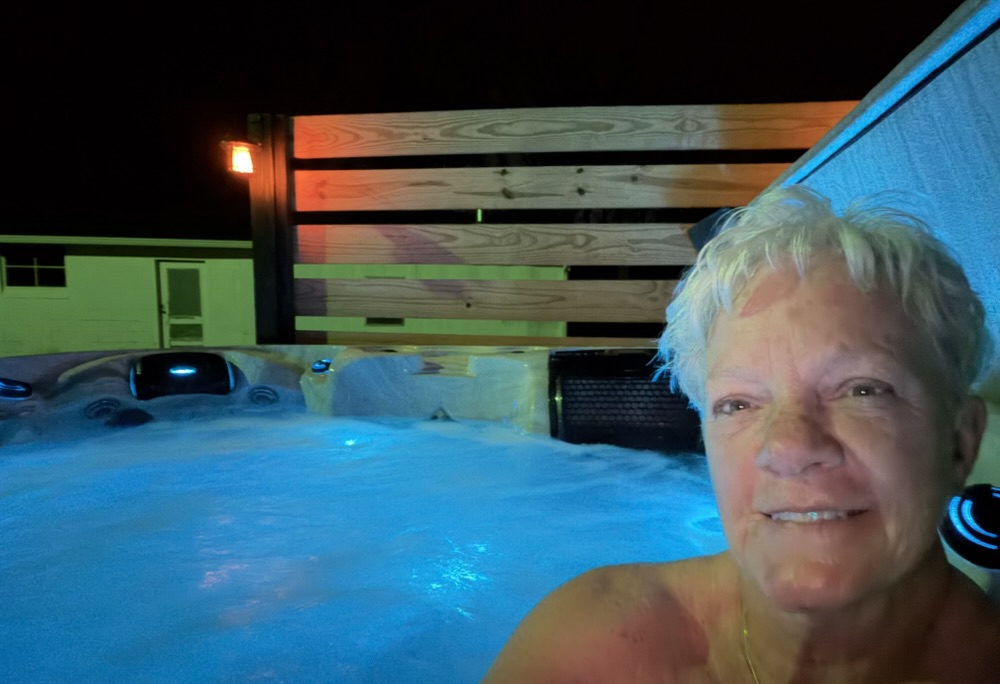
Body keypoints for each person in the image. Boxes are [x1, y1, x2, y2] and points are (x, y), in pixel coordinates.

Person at [482, 185, 1000, 683]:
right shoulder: (590, 649)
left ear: (960, 442)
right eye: (738, 404)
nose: (788, 448)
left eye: (862, 390)